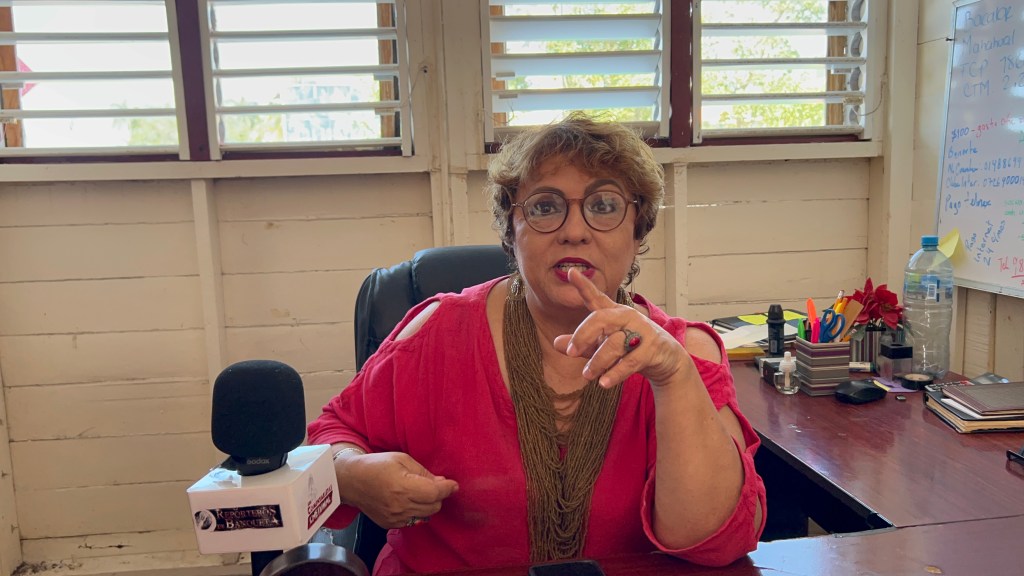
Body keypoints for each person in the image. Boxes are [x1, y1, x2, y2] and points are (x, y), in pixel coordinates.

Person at [308, 113, 766, 575]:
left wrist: (673, 377)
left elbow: (713, 542)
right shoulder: (439, 332)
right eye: (545, 207)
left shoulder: (688, 353)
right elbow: (333, 433)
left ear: (638, 230)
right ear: (512, 229)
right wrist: (352, 474)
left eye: (604, 205)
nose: (574, 231)